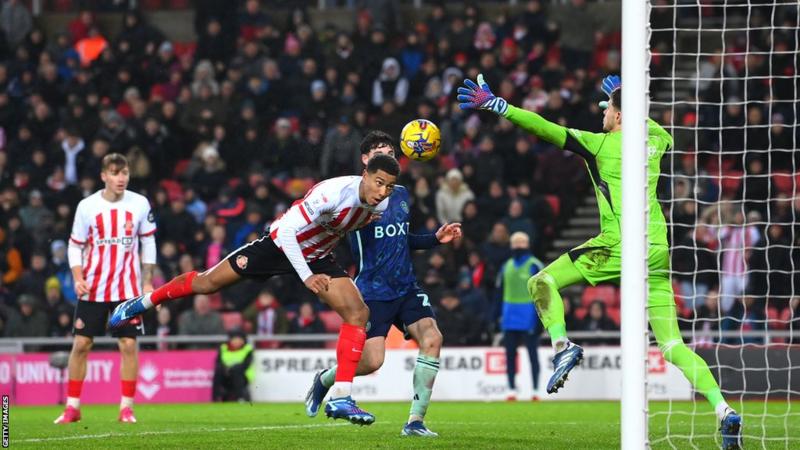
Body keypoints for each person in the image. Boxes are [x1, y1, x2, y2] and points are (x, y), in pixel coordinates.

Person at [458, 74, 743, 447]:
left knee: (540, 282)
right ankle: (723, 410)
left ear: (620, 115)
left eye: (608, 109)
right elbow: (663, 133)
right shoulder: (655, 141)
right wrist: (629, 105)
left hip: (620, 245)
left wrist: (501, 107)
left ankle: (562, 347)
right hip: (657, 250)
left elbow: (546, 128)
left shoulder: (599, 144)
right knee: (673, 346)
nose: (603, 114)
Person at [110, 153, 401, 426]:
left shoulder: (382, 204)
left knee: (358, 313)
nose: (383, 191)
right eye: (378, 182)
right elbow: (287, 231)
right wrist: (306, 277)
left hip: (318, 256)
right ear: (364, 174)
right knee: (207, 283)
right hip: (277, 246)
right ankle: (142, 303)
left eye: (389, 187)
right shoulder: (333, 193)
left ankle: (341, 397)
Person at [305, 131, 462, 437]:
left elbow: (401, 238)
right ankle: (325, 380)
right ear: (365, 160)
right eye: (380, 151)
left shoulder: (401, 194)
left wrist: (434, 238)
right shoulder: (354, 197)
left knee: (433, 338)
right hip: (373, 291)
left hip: (406, 286)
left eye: (391, 151)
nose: (387, 155)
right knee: (371, 362)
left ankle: (415, 422)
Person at [55, 153, 157, 425]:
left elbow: (148, 243)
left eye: (124, 173)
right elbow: (75, 244)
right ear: (104, 176)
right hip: (94, 288)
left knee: (128, 344)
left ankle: (126, 408)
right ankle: (72, 407)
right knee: (81, 344)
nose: (121, 178)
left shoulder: (139, 204)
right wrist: (77, 276)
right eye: (115, 173)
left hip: (126, 289)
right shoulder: (87, 206)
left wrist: (147, 281)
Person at [496, 232, 543, 401]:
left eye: (521, 244)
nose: (518, 247)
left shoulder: (534, 265)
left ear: (527, 245)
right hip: (509, 316)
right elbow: (499, 292)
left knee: (532, 354)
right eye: (515, 244)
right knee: (509, 355)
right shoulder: (506, 266)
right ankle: (511, 389)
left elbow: (542, 293)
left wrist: (540, 320)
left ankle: (536, 390)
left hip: (529, 315)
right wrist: (496, 315)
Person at [212, 329, 254, 402]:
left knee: (236, 370)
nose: (236, 342)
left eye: (239, 340)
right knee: (218, 370)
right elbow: (218, 362)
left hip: (242, 376)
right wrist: (225, 369)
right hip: (226, 375)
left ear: (243, 340)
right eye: (234, 339)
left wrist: (232, 369)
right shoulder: (223, 348)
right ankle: (216, 398)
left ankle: (240, 397)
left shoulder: (247, 349)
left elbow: (246, 364)